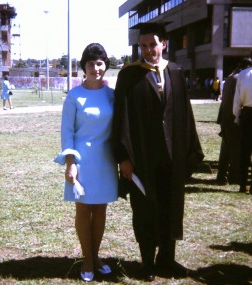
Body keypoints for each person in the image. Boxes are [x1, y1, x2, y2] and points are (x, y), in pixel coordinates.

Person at [111, 22, 204, 281]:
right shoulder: (129, 75)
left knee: (170, 207)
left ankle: (167, 258)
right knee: (145, 209)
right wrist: (124, 158)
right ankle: (147, 263)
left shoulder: (175, 71)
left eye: (153, 44)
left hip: (172, 156)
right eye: (143, 45)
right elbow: (122, 119)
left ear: (164, 43)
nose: (148, 50)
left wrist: (188, 153)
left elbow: (184, 114)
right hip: (142, 157)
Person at [54, 43, 118, 282]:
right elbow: (66, 132)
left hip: (106, 160)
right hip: (82, 161)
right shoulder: (74, 96)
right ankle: (87, 259)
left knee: (100, 209)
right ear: (84, 67)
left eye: (99, 63)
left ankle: (96, 255)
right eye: (90, 64)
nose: (95, 68)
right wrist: (70, 162)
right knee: (83, 209)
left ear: (106, 65)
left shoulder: (112, 95)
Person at [216, 58, 252, 185]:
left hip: (225, 118)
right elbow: (237, 101)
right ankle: (234, 177)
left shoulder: (231, 77)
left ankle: (221, 176)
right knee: (237, 150)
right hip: (233, 118)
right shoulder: (239, 78)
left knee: (225, 148)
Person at [233, 61, 252, 194]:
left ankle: (242, 184)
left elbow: (237, 99)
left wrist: (237, 116)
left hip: (246, 114)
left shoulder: (243, 74)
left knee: (244, 150)